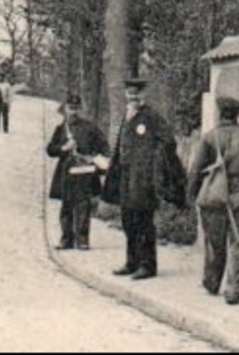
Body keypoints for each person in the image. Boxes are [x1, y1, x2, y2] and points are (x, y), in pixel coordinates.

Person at [186, 95, 239, 305]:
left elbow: (195, 172)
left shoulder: (209, 138)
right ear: (237, 114)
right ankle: (233, 290)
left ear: (220, 113)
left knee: (214, 242)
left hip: (213, 197)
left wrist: (193, 196)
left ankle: (212, 283)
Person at [102, 77, 185, 279]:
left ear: (144, 95)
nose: (133, 97)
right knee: (128, 221)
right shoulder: (128, 115)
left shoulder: (151, 116)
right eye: (130, 93)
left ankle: (148, 265)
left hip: (143, 181)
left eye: (137, 93)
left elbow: (168, 141)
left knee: (144, 222)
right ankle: (132, 262)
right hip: (126, 179)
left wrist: (151, 162)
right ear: (125, 95)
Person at [46, 94, 109, 250]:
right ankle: (66, 240)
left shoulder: (90, 127)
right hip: (66, 171)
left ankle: (82, 240)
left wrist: (93, 157)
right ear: (65, 109)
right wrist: (63, 148)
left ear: (79, 109)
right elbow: (50, 150)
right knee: (66, 205)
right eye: (70, 108)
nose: (73, 112)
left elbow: (104, 147)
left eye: (75, 108)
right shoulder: (60, 129)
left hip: (84, 172)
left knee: (83, 205)